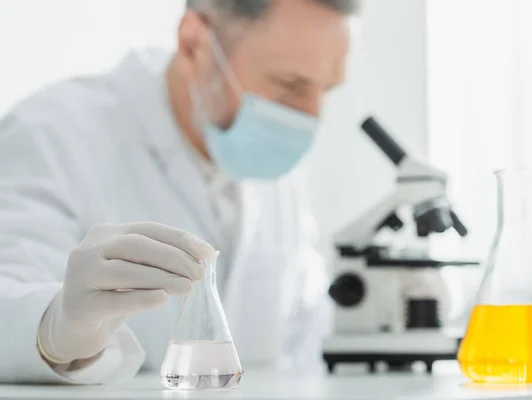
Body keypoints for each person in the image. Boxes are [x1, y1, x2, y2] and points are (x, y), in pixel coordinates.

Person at [0, 0, 359, 384]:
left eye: (327, 91)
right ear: (194, 44)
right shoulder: (53, 135)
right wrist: (56, 330)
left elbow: (305, 334)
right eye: (290, 86)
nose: (310, 116)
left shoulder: (272, 165)